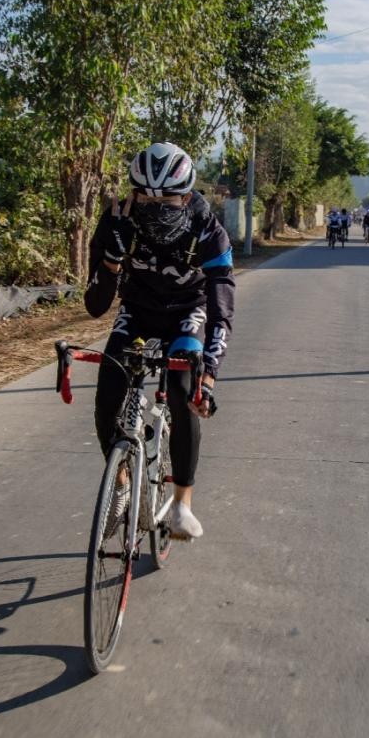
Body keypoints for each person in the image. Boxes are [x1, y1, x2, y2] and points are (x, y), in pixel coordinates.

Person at [84, 141, 235, 540]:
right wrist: (112, 260)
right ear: (132, 192)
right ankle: (119, 483)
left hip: (188, 310)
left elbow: (221, 309)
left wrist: (209, 377)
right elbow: (96, 306)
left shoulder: (208, 229)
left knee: (185, 392)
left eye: (166, 199)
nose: (153, 208)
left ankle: (183, 504)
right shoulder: (116, 221)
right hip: (137, 309)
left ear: (186, 195)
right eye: (143, 198)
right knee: (107, 394)